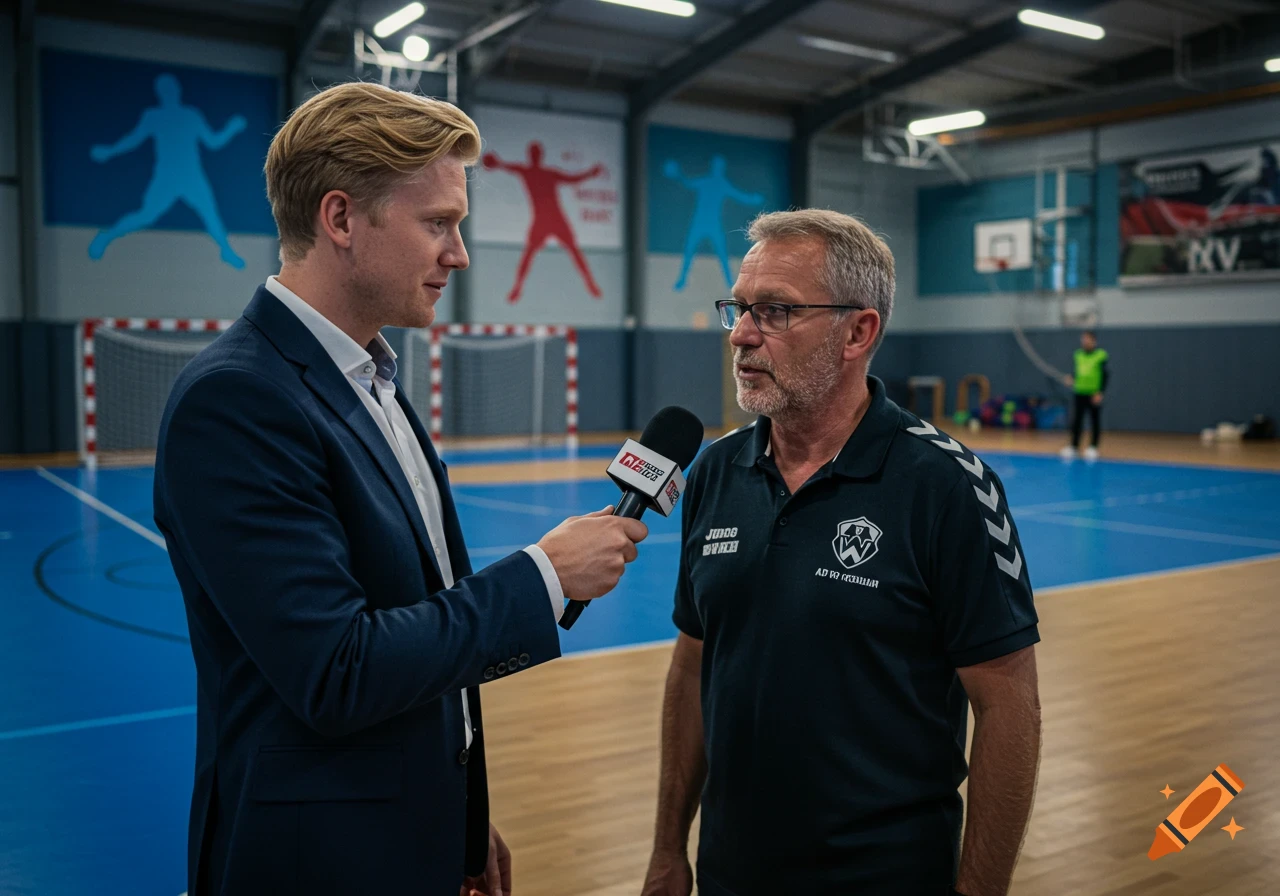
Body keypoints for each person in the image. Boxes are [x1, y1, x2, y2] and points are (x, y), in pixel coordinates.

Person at [153, 82, 648, 896]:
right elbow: (337, 670)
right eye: (438, 224)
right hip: (316, 859)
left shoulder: (371, 379)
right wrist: (544, 575)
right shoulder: (237, 400)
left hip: (406, 830)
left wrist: (456, 812)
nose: (458, 253)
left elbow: (422, 621)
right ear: (342, 219)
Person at [641, 209, 1042, 896]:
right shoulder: (713, 473)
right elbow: (691, 671)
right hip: (730, 871)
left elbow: (1009, 709)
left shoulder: (945, 486)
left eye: (775, 311)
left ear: (858, 331)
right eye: (738, 309)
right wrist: (668, 849)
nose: (740, 334)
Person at [88, 72, 247, 268]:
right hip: (166, 177)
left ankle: (226, 251)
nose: (169, 93)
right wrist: (110, 151)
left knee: (210, 214)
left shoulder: (191, 114)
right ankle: (106, 236)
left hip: (192, 176)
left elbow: (213, 142)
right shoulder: (153, 116)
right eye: (165, 90)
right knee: (145, 215)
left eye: (171, 89)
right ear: (160, 93)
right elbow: (133, 139)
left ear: (177, 91)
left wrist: (231, 128)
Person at [481, 141, 604, 303]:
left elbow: (572, 178)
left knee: (573, 250)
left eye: (536, 153)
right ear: (530, 155)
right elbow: (505, 166)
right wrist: (496, 163)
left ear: (539, 155)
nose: (534, 156)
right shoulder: (526, 171)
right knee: (530, 252)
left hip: (557, 218)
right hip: (542, 221)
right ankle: (517, 288)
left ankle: (591, 284)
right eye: (533, 153)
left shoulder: (548, 173)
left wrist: (589, 174)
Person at [1060, 330, 1109, 461]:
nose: (1085, 342)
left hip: (1093, 393)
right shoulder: (1078, 355)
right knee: (1077, 421)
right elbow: (1077, 371)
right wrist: (1072, 378)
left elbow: (1105, 375)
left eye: (1088, 339)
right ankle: (1074, 447)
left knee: (1094, 420)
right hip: (1079, 392)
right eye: (1083, 339)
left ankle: (1093, 447)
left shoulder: (1101, 355)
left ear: (1094, 341)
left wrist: (1100, 392)